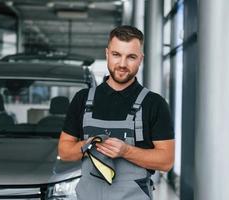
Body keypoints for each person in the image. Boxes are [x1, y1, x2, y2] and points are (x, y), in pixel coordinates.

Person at [58, 25, 175, 200]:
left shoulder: (154, 104)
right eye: (116, 55)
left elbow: (166, 161)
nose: (122, 64)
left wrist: (126, 151)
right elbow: (65, 151)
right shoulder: (83, 99)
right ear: (107, 54)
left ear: (141, 59)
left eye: (131, 57)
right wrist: (89, 144)